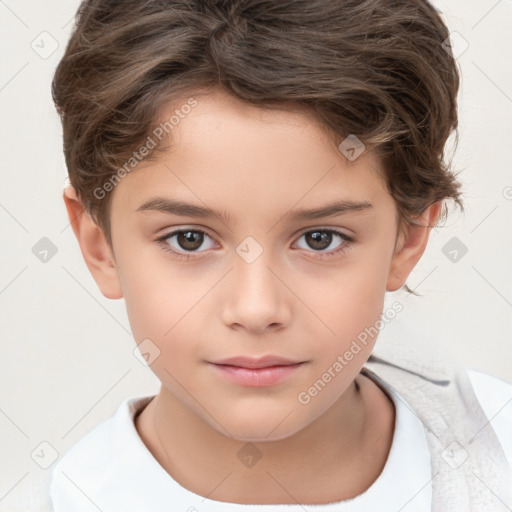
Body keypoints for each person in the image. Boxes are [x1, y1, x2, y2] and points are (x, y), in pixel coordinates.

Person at [49, 0, 512, 510]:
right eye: (189, 239)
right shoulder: (69, 499)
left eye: (320, 239)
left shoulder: (496, 451)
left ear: (408, 237)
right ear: (100, 245)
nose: (256, 309)